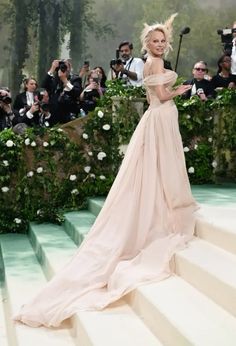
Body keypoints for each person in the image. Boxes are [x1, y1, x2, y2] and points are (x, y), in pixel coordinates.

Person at [14, 13, 198, 328]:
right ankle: (167, 205)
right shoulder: (153, 66)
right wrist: (181, 90)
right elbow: (162, 96)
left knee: (161, 164)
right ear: (147, 44)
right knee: (160, 163)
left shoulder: (155, 64)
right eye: (154, 41)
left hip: (161, 119)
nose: (159, 44)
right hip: (161, 116)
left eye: (162, 40)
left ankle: (167, 200)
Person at [42, 59, 82, 125]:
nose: (64, 69)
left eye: (66, 67)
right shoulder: (55, 80)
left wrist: (65, 80)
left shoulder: (75, 79)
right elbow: (44, 86)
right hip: (54, 115)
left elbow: (77, 93)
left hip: (68, 116)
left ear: (69, 68)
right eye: (62, 67)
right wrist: (52, 68)